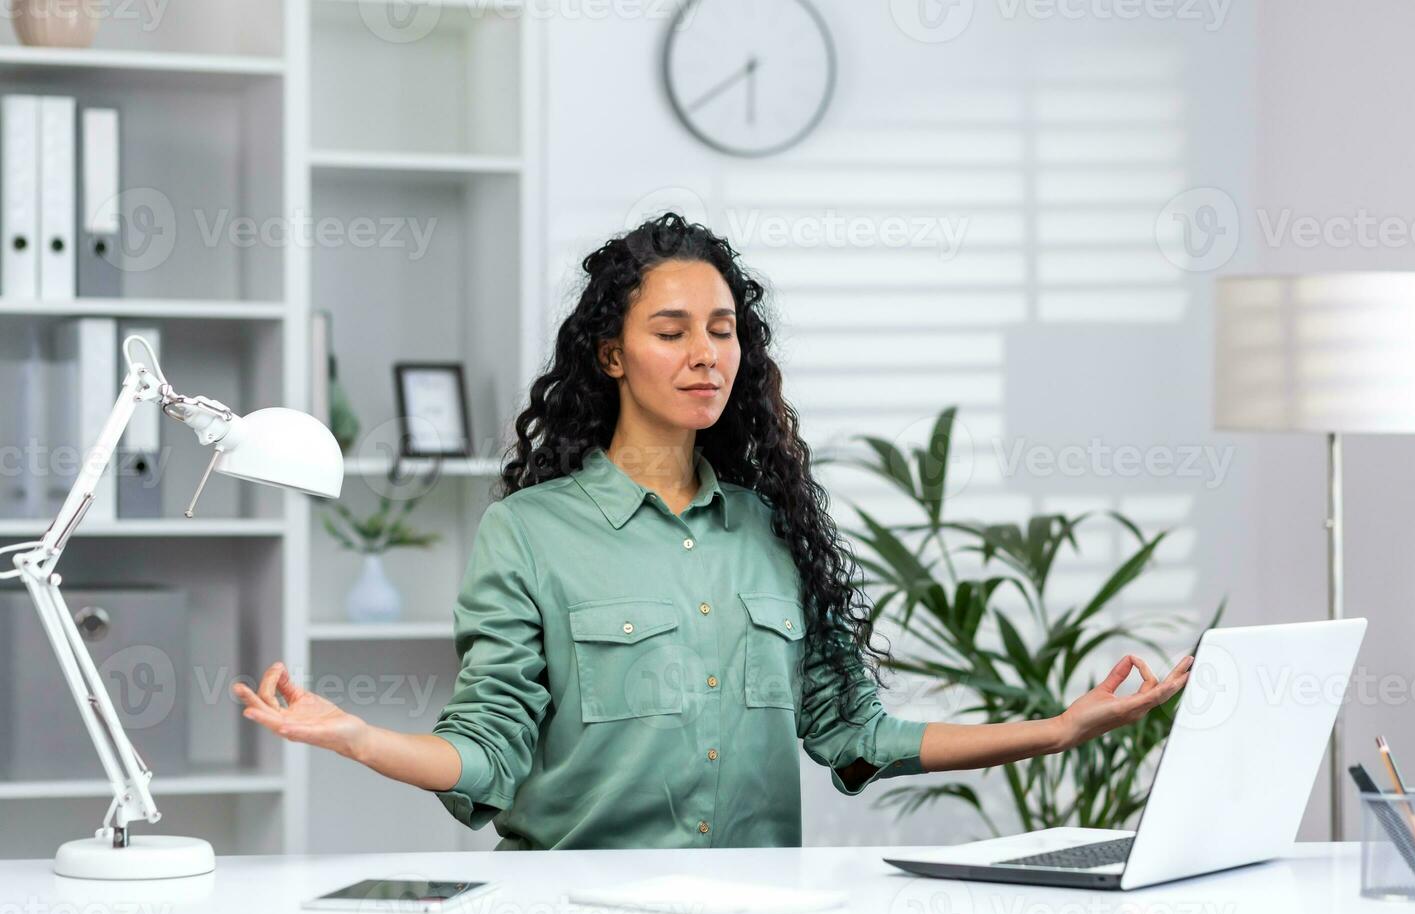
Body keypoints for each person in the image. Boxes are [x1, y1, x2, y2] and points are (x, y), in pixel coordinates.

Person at [233, 212, 1193, 850]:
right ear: (611, 352)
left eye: (725, 329)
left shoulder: (776, 528)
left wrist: (1059, 730)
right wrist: (359, 737)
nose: (706, 355)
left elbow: (853, 731)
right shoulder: (528, 535)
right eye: (672, 330)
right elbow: (487, 752)